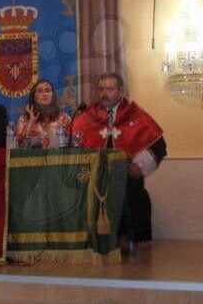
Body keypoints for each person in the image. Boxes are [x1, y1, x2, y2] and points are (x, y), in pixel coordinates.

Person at [70, 72, 166, 243]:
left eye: (110, 89)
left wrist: (139, 166)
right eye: (101, 89)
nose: (104, 93)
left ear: (120, 90)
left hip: (128, 182)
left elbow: (158, 145)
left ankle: (136, 249)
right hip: (97, 184)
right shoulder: (87, 115)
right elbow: (75, 145)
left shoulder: (135, 114)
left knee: (134, 208)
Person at [15, 79, 72, 148]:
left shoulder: (64, 118)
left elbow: (72, 143)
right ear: (35, 97)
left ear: (52, 95)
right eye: (40, 91)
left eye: (47, 90)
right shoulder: (24, 119)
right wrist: (31, 122)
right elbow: (19, 145)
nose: (44, 94)